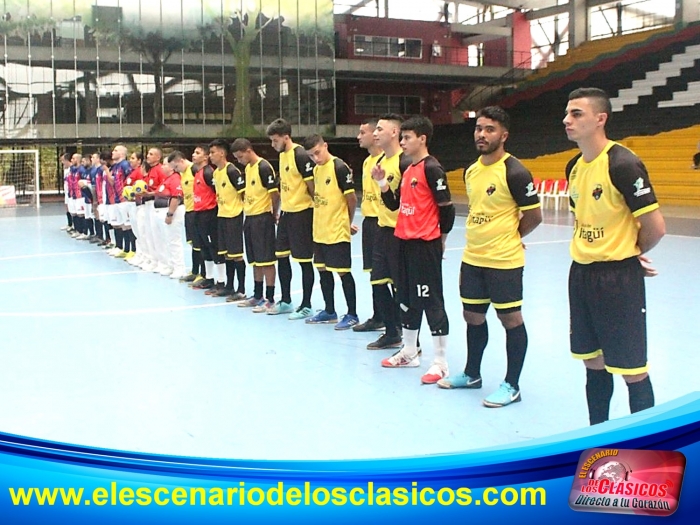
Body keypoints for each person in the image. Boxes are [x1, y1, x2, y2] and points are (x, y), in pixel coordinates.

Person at [562, 87, 666, 425]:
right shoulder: (574, 167)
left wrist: (628, 254)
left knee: (632, 369)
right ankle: (599, 440)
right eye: (567, 113)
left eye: (577, 113)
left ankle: (646, 454)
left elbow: (655, 226)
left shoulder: (622, 163)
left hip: (618, 280)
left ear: (600, 119)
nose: (567, 120)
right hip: (581, 274)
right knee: (592, 361)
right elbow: (583, 219)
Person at [437, 106, 542, 408]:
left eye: (489, 129)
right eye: (479, 128)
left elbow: (534, 216)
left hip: (504, 261)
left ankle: (512, 384)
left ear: (504, 135)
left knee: (510, 319)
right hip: (473, 258)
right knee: (472, 316)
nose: (482, 134)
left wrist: (511, 237)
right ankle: (472, 374)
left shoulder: (516, 171)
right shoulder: (472, 171)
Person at [373, 115, 456, 384]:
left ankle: (441, 362)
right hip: (403, 243)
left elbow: (447, 208)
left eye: (407, 137)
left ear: (422, 138)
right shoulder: (408, 169)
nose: (403, 142)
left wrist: (440, 238)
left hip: (425, 245)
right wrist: (383, 182)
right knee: (406, 298)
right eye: (403, 137)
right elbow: (394, 204)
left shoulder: (432, 168)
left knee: (431, 300)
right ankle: (410, 352)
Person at [303, 134, 359, 330]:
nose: (316, 158)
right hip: (319, 230)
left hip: (336, 230)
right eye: (311, 156)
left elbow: (351, 199)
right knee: (322, 270)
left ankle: (352, 313)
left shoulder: (339, 167)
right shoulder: (317, 170)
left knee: (343, 272)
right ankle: (329, 311)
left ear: (325, 146)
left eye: (317, 153)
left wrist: (346, 222)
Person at [365, 113, 411, 350]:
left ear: (394, 132)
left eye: (380, 129)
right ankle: (392, 331)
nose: (375, 133)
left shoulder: (406, 162)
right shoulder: (380, 162)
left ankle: (411, 337)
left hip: (401, 233)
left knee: (402, 287)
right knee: (378, 281)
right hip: (382, 230)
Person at [265, 118, 316, 319]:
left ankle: (307, 305)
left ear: (286, 137)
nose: (273, 144)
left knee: (304, 261)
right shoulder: (283, 155)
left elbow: (312, 187)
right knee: (281, 256)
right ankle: (286, 300)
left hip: (302, 214)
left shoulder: (300, 154)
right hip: (286, 214)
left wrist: (317, 210)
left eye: (275, 140)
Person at [231, 138, 280, 312]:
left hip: (263, 218)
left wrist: (274, 213)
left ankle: (270, 298)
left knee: (266, 259)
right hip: (250, 217)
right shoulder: (248, 168)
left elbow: (274, 194)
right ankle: (257, 295)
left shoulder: (263, 167)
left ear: (248, 150)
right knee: (255, 260)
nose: (239, 160)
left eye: (240, 156)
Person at [352, 118, 387, 334]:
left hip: (384, 222)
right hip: (370, 222)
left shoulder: (388, 160)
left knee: (387, 275)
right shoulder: (366, 162)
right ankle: (379, 316)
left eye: (362, 132)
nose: (358, 136)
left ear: (375, 135)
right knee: (374, 274)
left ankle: (396, 321)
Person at [208, 139, 247, 300]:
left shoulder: (232, 170)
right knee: (226, 254)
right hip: (222, 216)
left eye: (212, 152)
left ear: (222, 153)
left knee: (236, 254)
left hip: (234, 216)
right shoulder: (216, 173)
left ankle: (242, 289)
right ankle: (229, 286)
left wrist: (239, 209)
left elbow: (243, 192)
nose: (210, 156)